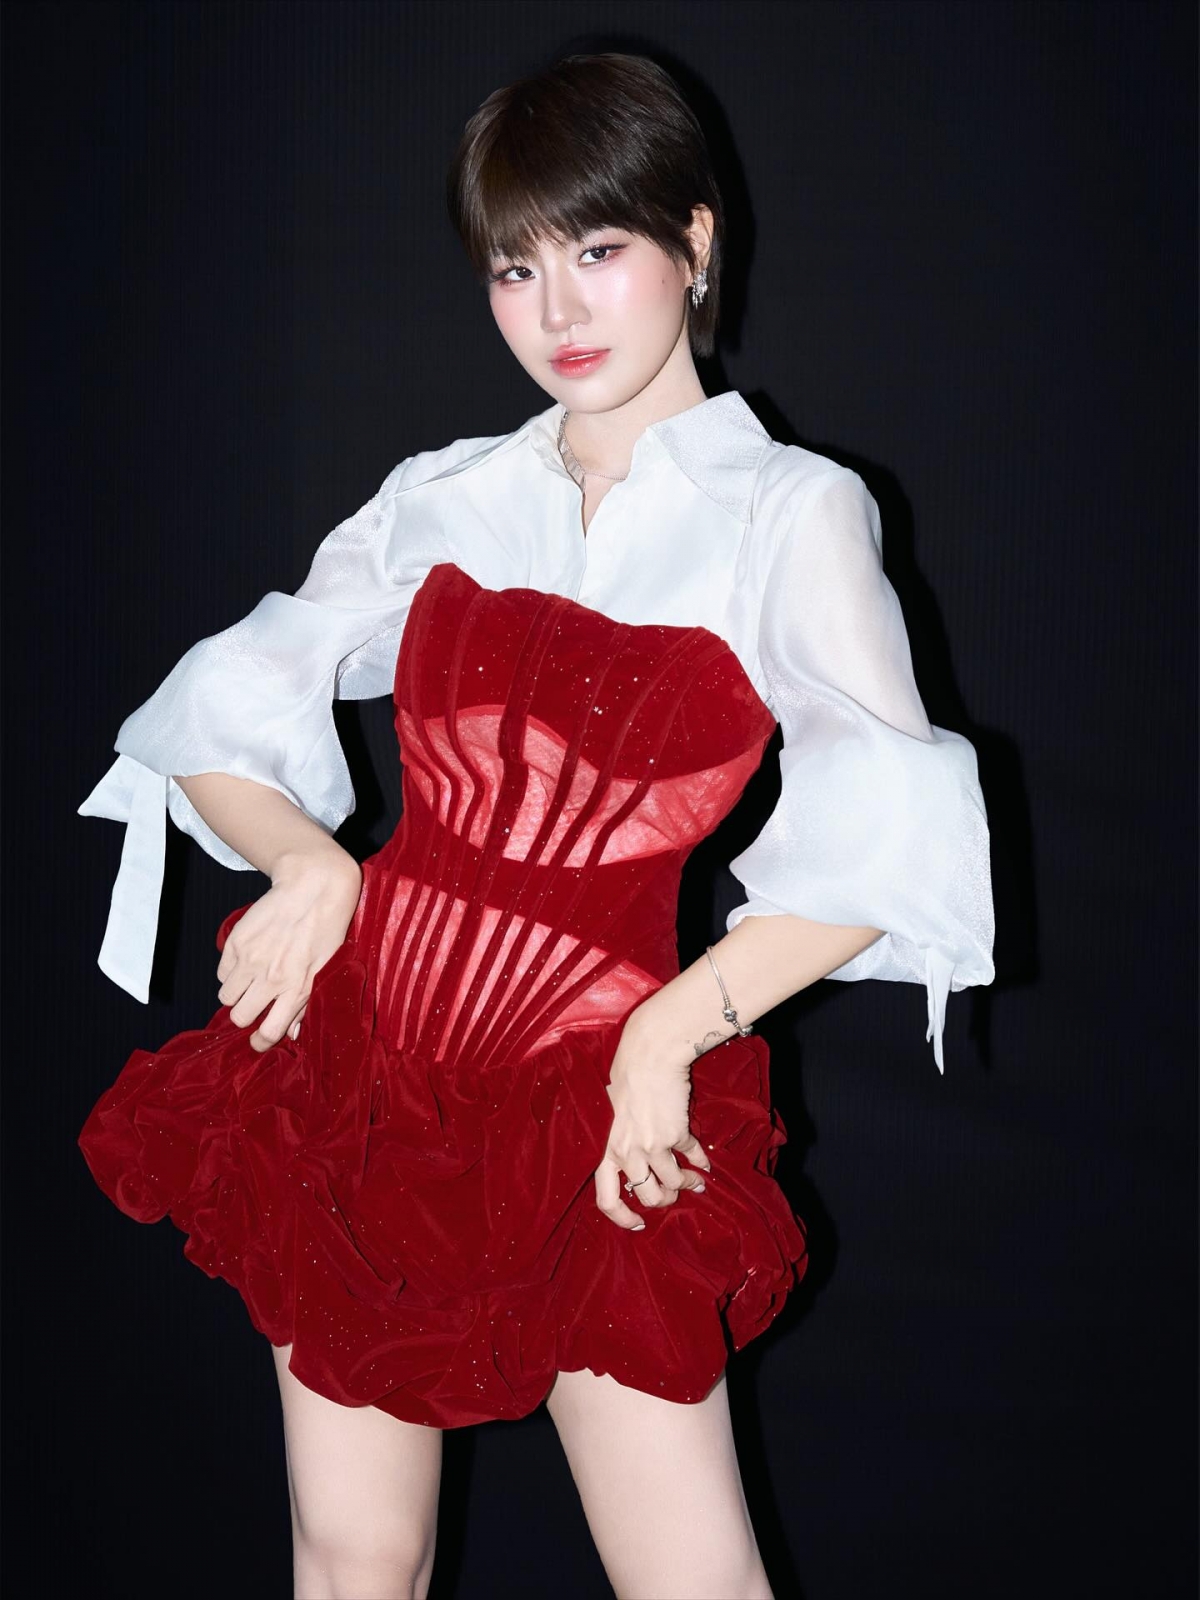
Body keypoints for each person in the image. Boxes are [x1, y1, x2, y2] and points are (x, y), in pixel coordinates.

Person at [76, 51, 994, 1600]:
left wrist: (669, 1036)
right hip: (365, 1074)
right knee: (352, 1554)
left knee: (691, 1580)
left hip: (599, 1107)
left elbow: (893, 845)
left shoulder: (791, 512)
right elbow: (217, 709)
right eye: (515, 267)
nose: (557, 309)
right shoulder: (449, 495)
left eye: (598, 248)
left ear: (696, 242)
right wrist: (307, 862)